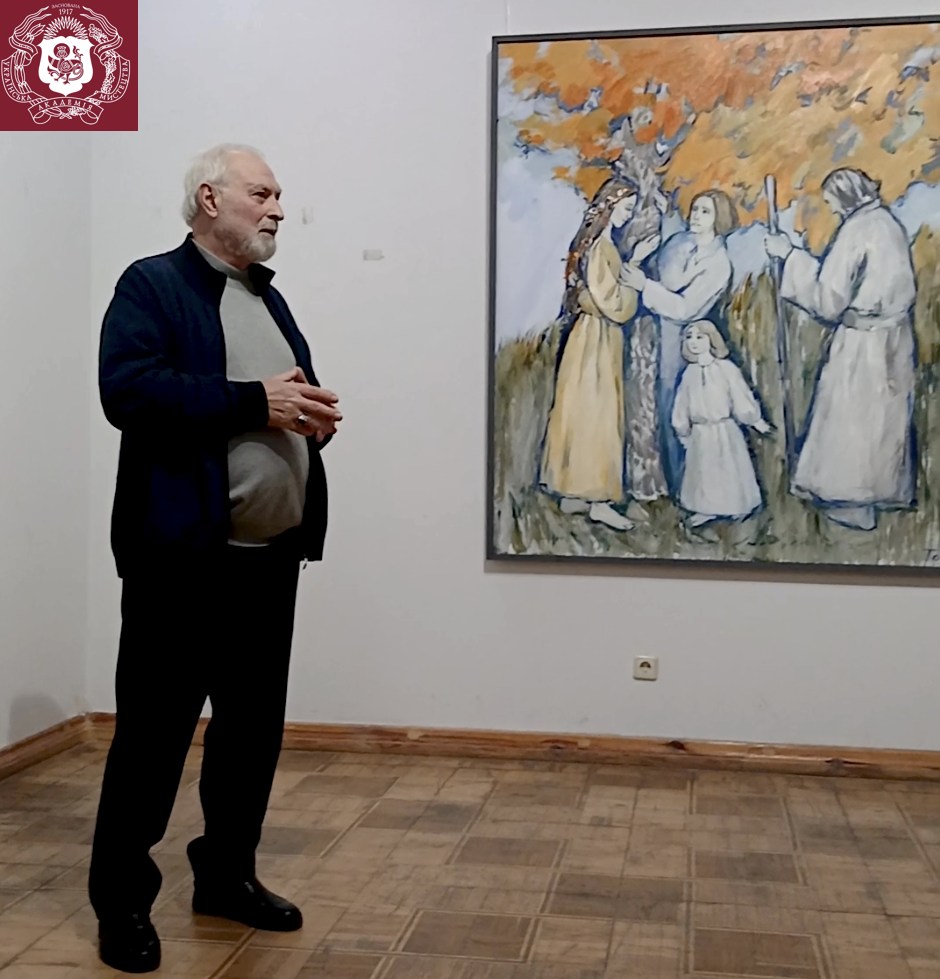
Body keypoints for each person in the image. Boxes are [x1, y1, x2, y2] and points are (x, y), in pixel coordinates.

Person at [89, 143, 342, 974]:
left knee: (250, 736)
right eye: (261, 193)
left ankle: (226, 875)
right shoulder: (152, 285)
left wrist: (308, 420)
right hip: (182, 564)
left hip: (268, 562)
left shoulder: (267, 297)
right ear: (209, 198)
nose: (277, 209)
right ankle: (122, 903)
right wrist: (254, 401)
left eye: (279, 196)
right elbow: (129, 390)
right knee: (153, 738)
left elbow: (278, 401)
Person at [764, 167, 917, 530]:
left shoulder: (855, 231)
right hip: (895, 338)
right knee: (883, 423)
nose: (831, 208)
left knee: (854, 420)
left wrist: (790, 255)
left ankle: (852, 504)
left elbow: (828, 299)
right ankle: (880, 494)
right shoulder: (888, 224)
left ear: (846, 195)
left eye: (832, 200)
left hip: (862, 344)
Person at [538, 177, 658, 531]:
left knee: (580, 411)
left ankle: (573, 490)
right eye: (626, 208)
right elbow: (616, 305)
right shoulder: (603, 248)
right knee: (598, 415)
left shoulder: (595, 246)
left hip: (587, 336)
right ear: (609, 207)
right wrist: (636, 270)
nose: (628, 215)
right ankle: (599, 500)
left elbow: (594, 294)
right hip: (598, 339)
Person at [620, 189, 739, 498]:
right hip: (653, 328)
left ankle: (685, 487)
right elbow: (661, 273)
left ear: (720, 219)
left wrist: (644, 286)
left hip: (684, 338)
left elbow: (685, 308)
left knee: (676, 406)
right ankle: (659, 481)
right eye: (695, 209)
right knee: (650, 404)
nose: (696, 216)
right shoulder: (678, 242)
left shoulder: (719, 264)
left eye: (705, 212)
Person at [671, 321, 769, 529]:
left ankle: (736, 507)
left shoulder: (726, 368)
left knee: (728, 467)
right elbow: (682, 403)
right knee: (703, 471)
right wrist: (682, 429)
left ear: (711, 339)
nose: (693, 342)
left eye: (700, 337)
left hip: (724, 430)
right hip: (700, 432)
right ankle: (705, 509)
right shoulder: (689, 373)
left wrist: (754, 419)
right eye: (689, 337)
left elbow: (740, 395)